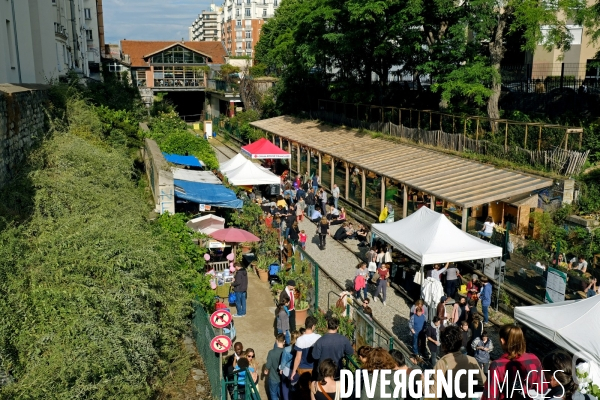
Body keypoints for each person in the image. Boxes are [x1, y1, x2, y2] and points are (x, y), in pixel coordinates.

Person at [482, 325, 546, 400]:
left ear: (502, 341)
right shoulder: (534, 359)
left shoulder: (496, 365)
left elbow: (490, 397)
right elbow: (542, 389)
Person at [425, 325, 486, 400]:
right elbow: (483, 382)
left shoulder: (442, 364)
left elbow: (433, 395)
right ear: (460, 343)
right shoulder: (471, 360)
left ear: (443, 345)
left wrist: (423, 383)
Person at [292, 316, 321, 398]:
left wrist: (294, 371)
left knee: (303, 391)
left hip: (302, 369)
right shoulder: (318, 337)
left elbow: (298, 358)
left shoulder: (300, 340)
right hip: (314, 368)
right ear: (313, 326)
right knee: (314, 390)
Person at [279, 331, 300, 400]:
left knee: (285, 386)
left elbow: (283, 361)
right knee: (294, 388)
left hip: (286, 370)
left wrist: (281, 369)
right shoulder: (300, 349)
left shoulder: (286, 349)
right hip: (296, 370)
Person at [265, 334, 285, 400]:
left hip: (273, 377)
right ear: (284, 341)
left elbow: (268, 365)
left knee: (273, 394)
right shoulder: (286, 352)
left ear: (276, 341)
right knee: (282, 394)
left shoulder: (271, 352)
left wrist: (266, 371)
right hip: (283, 378)